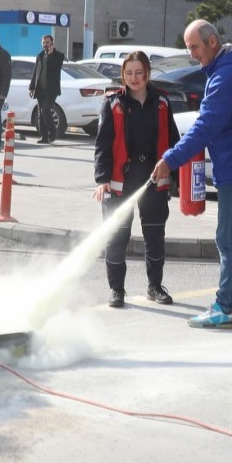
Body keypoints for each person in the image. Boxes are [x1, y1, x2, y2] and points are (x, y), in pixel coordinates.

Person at [151, 20, 232, 329]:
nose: (192, 55)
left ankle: (226, 308)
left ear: (212, 42)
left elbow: (205, 127)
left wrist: (170, 159)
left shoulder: (225, 78)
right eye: (189, 48)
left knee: (228, 240)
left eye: (195, 48)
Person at [93, 51, 182, 309]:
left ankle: (155, 286)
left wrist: (175, 175)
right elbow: (102, 145)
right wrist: (102, 179)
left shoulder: (162, 102)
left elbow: (174, 141)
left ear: (147, 74)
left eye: (139, 72)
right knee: (117, 236)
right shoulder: (112, 103)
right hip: (121, 179)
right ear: (123, 75)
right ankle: (116, 290)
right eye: (129, 73)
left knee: (155, 234)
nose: (134, 78)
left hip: (154, 178)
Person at [28, 34, 64, 144]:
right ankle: (44, 137)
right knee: (40, 114)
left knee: (45, 109)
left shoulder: (58, 55)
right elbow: (35, 72)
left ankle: (53, 133)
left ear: (52, 43)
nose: (45, 44)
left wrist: (51, 55)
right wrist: (31, 87)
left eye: (47, 42)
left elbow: (56, 67)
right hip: (40, 89)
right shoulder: (40, 56)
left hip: (51, 90)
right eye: (43, 42)